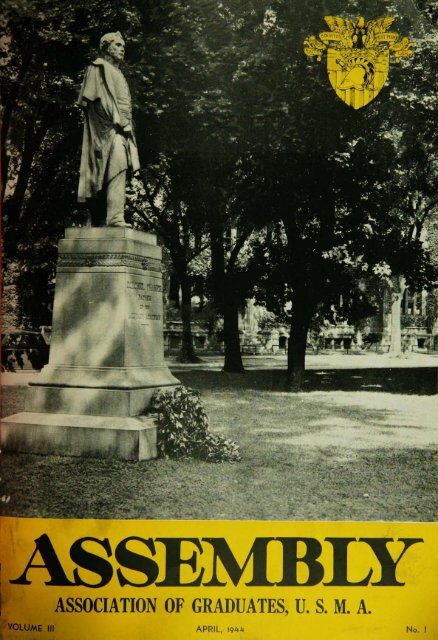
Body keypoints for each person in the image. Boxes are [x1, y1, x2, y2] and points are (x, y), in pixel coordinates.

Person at [77, 31, 140, 227]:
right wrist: (121, 122)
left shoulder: (118, 73)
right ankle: (112, 218)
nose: (122, 49)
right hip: (106, 131)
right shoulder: (98, 68)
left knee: (116, 169)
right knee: (109, 170)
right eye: (118, 45)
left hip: (119, 131)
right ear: (106, 47)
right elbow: (97, 103)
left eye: (123, 46)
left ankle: (111, 218)